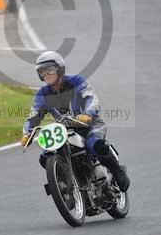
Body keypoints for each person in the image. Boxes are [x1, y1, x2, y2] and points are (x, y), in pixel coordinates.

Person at [21, 51, 130, 192]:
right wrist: (26, 133)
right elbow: (34, 115)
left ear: (59, 68)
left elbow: (92, 98)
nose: (46, 74)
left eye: (50, 70)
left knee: (95, 145)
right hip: (65, 130)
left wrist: (88, 114)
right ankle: (65, 184)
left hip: (89, 124)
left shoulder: (76, 81)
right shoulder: (41, 94)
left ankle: (117, 171)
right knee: (45, 157)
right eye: (42, 72)